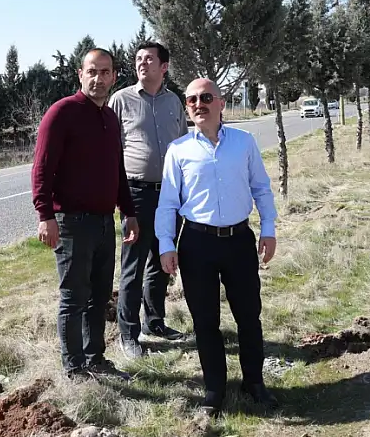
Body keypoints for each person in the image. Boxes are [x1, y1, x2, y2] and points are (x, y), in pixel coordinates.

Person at [155, 78, 280, 417]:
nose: (199, 104)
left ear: (221, 103)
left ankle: (254, 383)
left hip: (239, 241)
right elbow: (167, 203)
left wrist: (268, 229)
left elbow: (262, 188)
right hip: (196, 244)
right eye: (192, 99)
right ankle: (215, 390)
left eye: (206, 97)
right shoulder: (178, 150)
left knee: (248, 316)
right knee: (205, 321)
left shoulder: (244, 142)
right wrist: (167, 244)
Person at [32, 48, 139, 381]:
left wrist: (129, 212)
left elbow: (117, 170)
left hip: (105, 222)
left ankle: (96, 358)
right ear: (80, 75)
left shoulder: (109, 117)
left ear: (114, 77)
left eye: (105, 72)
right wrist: (44, 215)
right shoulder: (62, 113)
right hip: (72, 224)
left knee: (99, 297)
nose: (98, 78)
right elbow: (41, 168)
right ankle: (74, 367)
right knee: (73, 297)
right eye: (92, 71)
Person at [108, 41, 190, 359]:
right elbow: (111, 151)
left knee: (162, 262)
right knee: (132, 267)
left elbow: (183, 146)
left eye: (149, 59)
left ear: (164, 66)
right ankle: (128, 336)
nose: (142, 63)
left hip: (170, 195)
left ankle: (154, 322)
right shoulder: (121, 100)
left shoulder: (174, 102)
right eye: (138, 59)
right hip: (136, 195)